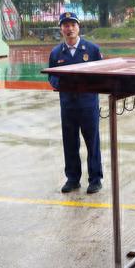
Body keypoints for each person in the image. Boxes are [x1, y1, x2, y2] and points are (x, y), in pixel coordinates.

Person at [47, 12, 104, 195]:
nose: (69, 28)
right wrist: (60, 84)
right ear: (61, 29)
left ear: (78, 27)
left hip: (88, 105)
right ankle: (73, 179)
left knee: (92, 142)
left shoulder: (92, 50)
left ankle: (95, 179)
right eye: (65, 25)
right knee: (70, 142)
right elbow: (52, 76)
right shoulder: (56, 53)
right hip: (68, 105)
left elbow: (102, 74)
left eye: (72, 24)